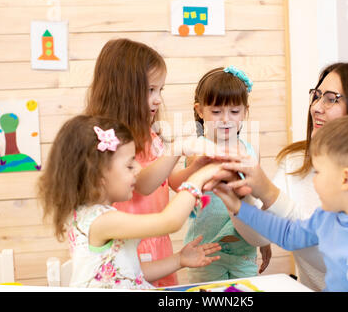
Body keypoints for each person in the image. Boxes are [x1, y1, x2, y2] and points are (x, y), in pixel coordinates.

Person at [205, 62, 348, 291]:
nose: (316, 107)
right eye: (317, 96)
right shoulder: (325, 217)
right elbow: (286, 232)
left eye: (331, 98)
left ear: (346, 179)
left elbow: (335, 253)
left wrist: (269, 192)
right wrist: (238, 203)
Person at [84, 38, 220, 286]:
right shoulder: (113, 142)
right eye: (150, 90)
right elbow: (143, 183)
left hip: (159, 241)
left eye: (160, 90)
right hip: (135, 241)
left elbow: (168, 180)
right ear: (122, 90)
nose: (158, 99)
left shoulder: (152, 135)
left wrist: (195, 169)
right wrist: (178, 149)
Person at [37, 115, 222, 289]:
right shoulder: (102, 221)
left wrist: (179, 260)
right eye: (129, 165)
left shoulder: (87, 215)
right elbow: (170, 221)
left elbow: (129, 272)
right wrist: (198, 178)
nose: (138, 169)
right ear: (98, 174)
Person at [169, 66, 272, 283]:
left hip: (243, 250)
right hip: (204, 250)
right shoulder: (197, 149)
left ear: (245, 111)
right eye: (216, 112)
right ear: (200, 110)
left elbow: (257, 200)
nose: (225, 119)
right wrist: (193, 168)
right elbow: (176, 184)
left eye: (234, 112)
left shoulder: (251, 151)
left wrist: (264, 240)